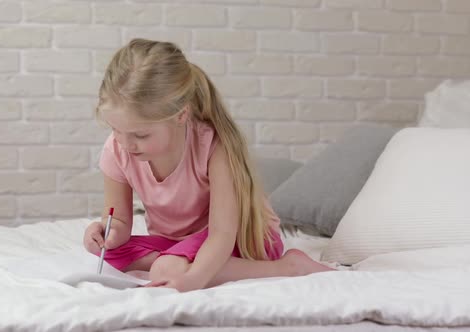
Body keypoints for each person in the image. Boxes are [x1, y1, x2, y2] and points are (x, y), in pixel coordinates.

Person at [84, 38, 333, 292]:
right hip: (175, 242)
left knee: (165, 269)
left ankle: (288, 267)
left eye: (141, 135)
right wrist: (108, 233)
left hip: (239, 238)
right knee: (110, 255)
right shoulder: (117, 149)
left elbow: (222, 234)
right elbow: (119, 222)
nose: (126, 144)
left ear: (181, 115)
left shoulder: (213, 146)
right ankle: (180, 260)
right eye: (116, 130)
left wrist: (193, 280)